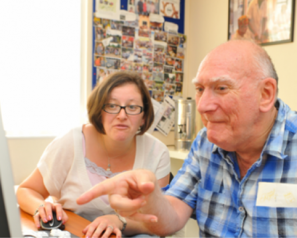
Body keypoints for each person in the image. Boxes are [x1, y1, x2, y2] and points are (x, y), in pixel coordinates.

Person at [77, 39, 297, 237]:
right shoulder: (205, 142)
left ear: (266, 94)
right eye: (200, 89)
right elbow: (172, 214)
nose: (202, 106)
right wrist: (150, 198)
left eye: (221, 88)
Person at [16, 71, 171, 238]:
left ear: (143, 117)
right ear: (100, 111)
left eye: (132, 107)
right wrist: (41, 207)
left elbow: (160, 221)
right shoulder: (70, 143)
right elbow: (26, 190)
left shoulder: (157, 152)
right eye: (112, 106)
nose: (122, 115)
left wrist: (119, 220)